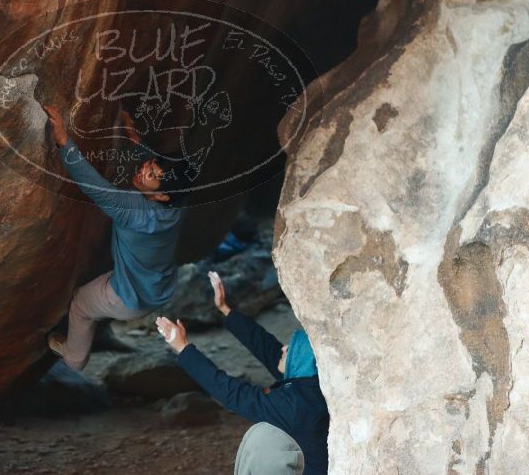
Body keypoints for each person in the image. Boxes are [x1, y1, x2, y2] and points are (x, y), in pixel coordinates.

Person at [43, 103, 185, 371]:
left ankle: (74, 358)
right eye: (152, 165)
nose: (146, 170)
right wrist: (136, 142)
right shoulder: (176, 204)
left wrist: (63, 140)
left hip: (127, 298)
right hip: (157, 290)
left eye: (152, 175)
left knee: (81, 304)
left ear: (161, 195)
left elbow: (95, 187)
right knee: (102, 286)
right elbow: (161, 176)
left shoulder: (134, 211)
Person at [156, 271, 328, 475]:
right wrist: (225, 309)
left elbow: (234, 393)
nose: (282, 349)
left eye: (290, 349)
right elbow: (267, 347)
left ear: (302, 362)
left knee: (262, 438)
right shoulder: (315, 385)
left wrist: (183, 348)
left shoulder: (295, 405)